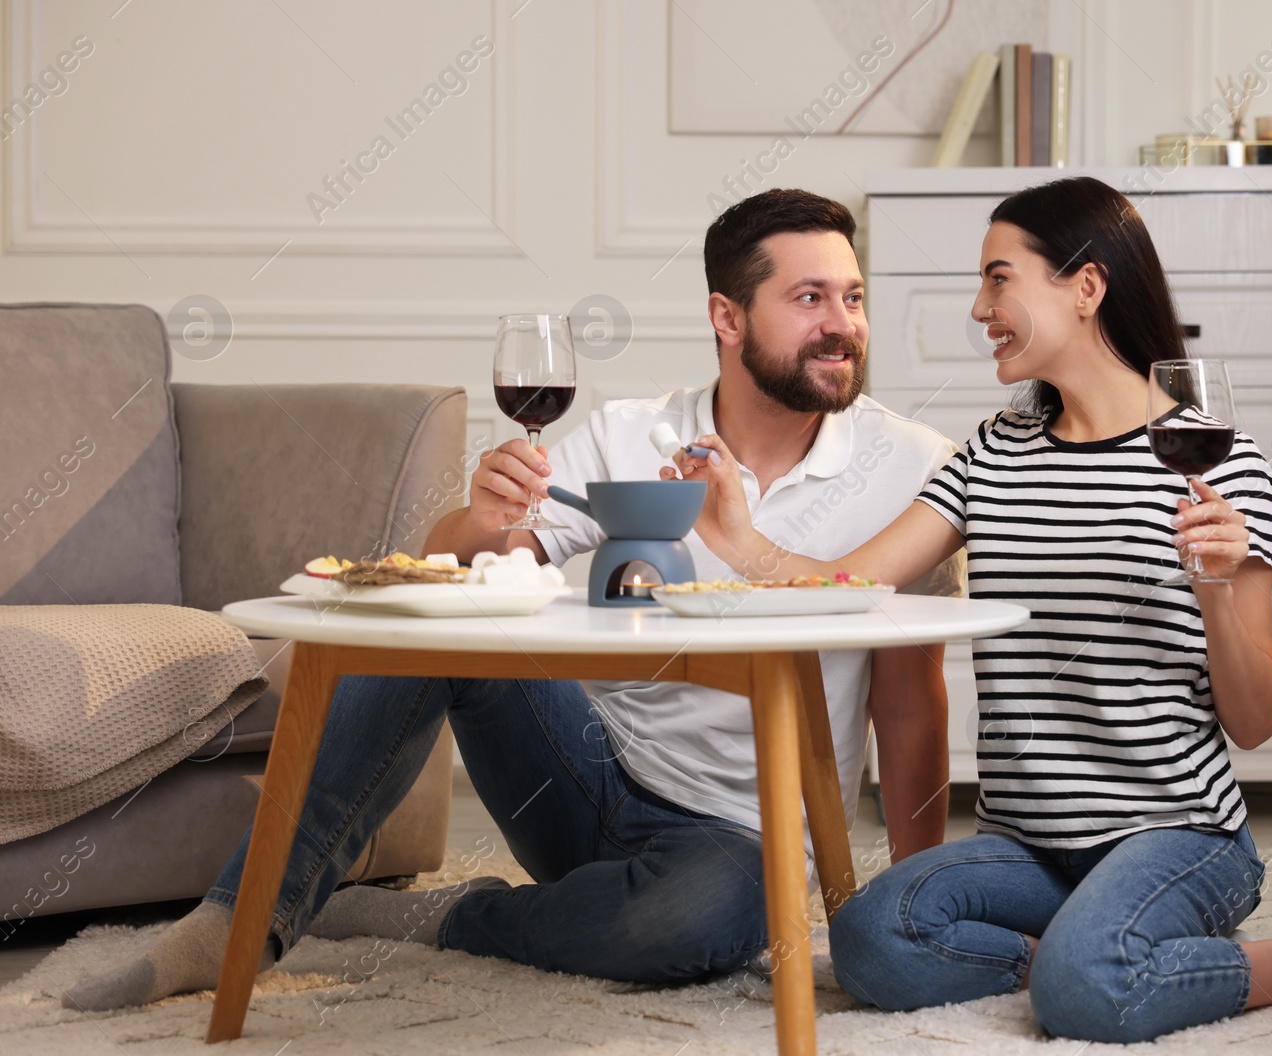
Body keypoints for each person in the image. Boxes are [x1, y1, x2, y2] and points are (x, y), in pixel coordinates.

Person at [61, 188, 962, 1011]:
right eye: (810, 299)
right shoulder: (629, 433)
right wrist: (482, 518)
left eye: (851, 296)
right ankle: (235, 920)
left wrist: (907, 907)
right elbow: (458, 565)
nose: (842, 324)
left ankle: (446, 919)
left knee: (691, 929)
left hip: (736, 834)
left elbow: (909, 694)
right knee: (423, 626)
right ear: (727, 318)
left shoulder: (909, 464)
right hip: (585, 771)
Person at [674, 176, 1272, 1044]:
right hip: (1029, 849)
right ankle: (1087, 946)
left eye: (999, 279)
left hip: (1181, 835)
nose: (981, 307)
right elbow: (854, 589)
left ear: (1087, 286)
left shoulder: (1221, 467)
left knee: (1084, 996)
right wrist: (737, 539)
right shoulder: (992, 454)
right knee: (868, 940)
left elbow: (1253, 721)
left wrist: (1216, 585)